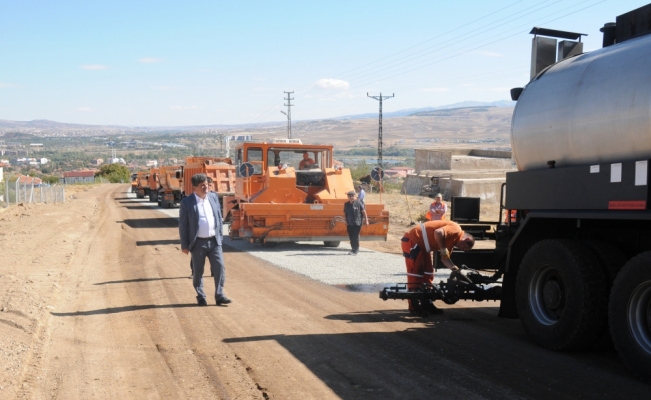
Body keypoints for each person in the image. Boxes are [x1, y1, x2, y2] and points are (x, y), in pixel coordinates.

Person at [179, 173, 231, 306]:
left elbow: (218, 218)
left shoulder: (213, 197)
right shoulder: (187, 202)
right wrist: (184, 245)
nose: (205, 187)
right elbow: (183, 225)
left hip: (214, 241)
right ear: (195, 188)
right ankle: (201, 295)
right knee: (198, 271)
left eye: (207, 184)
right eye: (202, 185)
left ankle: (220, 295)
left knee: (219, 267)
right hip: (198, 243)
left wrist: (220, 237)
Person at [401, 220, 474, 314]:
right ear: (466, 240)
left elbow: (445, 259)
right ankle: (414, 306)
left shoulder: (451, 243)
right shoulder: (456, 229)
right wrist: (443, 249)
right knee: (416, 274)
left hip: (423, 247)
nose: (461, 249)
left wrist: (455, 270)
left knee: (429, 273)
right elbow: (438, 232)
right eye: (464, 247)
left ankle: (426, 302)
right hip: (414, 240)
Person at [343, 190, 369, 255]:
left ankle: (356, 250)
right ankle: (352, 249)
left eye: (352, 196)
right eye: (349, 196)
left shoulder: (358, 203)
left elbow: (364, 212)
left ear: (355, 196)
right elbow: (345, 214)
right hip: (349, 223)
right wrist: (346, 221)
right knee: (351, 237)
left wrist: (366, 220)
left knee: (355, 236)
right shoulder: (346, 204)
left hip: (357, 223)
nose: (351, 197)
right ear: (348, 197)